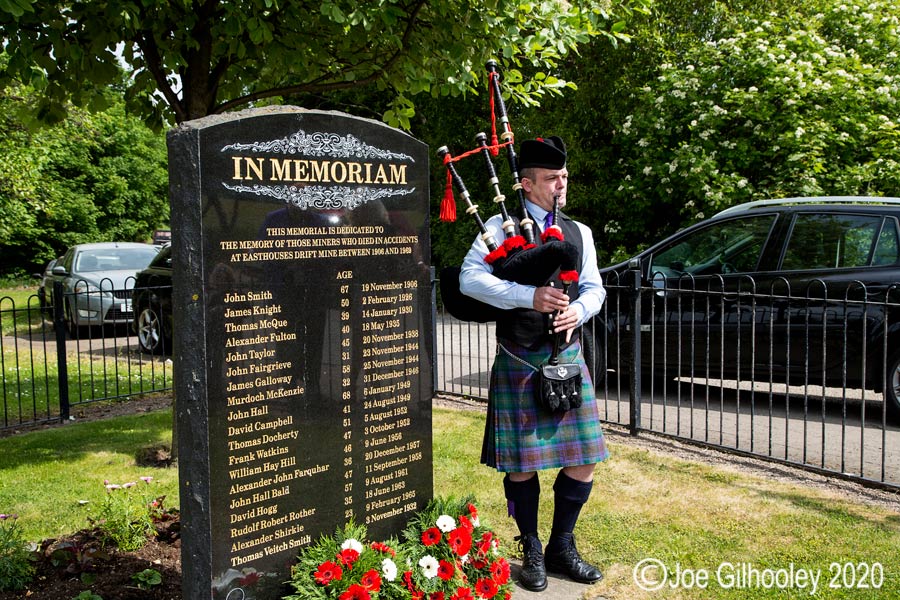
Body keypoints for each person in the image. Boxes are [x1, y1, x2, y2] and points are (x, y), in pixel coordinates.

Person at [458, 136, 609, 592]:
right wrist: (529, 296)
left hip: (568, 355)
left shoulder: (579, 232)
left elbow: (594, 288)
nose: (561, 185)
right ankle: (531, 546)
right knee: (522, 464)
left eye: (564, 176)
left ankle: (562, 546)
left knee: (584, 458)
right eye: (551, 179)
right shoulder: (499, 227)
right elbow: (469, 280)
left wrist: (578, 310)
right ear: (525, 184)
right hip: (520, 358)